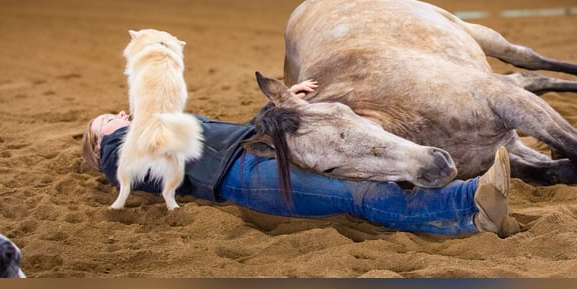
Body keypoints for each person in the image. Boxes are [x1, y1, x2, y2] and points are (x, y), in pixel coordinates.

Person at [82, 83, 518, 237]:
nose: (118, 116)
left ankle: (464, 200)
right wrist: (120, 131)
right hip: (239, 177)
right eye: (107, 121)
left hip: (257, 151)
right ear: (98, 141)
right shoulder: (119, 155)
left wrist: (287, 104)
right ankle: (466, 206)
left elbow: (234, 133)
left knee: (353, 151)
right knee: (353, 194)